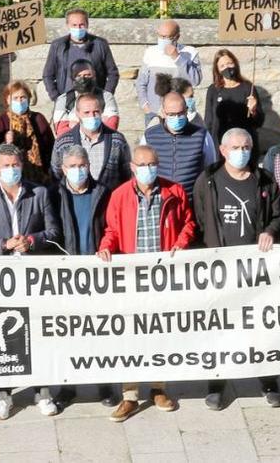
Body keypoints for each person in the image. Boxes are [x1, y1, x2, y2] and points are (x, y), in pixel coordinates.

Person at [0, 144, 62, 420]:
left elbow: (53, 231)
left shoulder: (39, 193)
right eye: (5, 166)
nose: (11, 170)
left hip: (33, 276)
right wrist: (3, 244)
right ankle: (4, 393)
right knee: (3, 338)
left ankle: (42, 391)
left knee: (37, 334)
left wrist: (31, 240)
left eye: (15, 165)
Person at [98, 145, 195, 422]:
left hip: (163, 278)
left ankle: (158, 388)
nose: (148, 169)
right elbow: (112, 230)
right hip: (133, 277)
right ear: (132, 167)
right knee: (131, 336)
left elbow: (188, 223)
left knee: (160, 332)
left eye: (153, 164)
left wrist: (181, 242)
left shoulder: (173, 192)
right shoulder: (119, 196)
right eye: (143, 164)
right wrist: (106, 247)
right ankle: (129, 395)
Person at [192, 128, 280, 410]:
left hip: (256, 270)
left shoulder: (264, 179)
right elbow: (199, 219)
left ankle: (268, 382)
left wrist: (269, 230)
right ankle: (216, 385)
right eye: (236, 147)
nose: (242, 151)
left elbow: (278, 215)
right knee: (220, 329)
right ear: (222, 150)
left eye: (246, 146)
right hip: (220, 269)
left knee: (261, 327)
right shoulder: (208, 180)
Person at [49, 145, 118, 409]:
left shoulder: (104, 192)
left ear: (89, 165)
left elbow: (112, 227)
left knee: (99, 332)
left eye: (82, 165)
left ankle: (104, 386)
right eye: (72, 167)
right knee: (68, 333)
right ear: (63, 169)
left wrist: (107, 245)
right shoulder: (54, 194)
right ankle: (68, 386)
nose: (78, 171)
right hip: (67, 275)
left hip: (98, 273)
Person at [141, 91, 217, 200]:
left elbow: (211, 169)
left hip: (190, 203)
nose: (176, 118)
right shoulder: (149, 136)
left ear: (186, 110)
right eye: (171, 114)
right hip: (159, 202)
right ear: (163, 112)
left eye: (180, 113)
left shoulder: (202, 136)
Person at [49, 92, 132, 190]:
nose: (92, 116)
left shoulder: (117, 140)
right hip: (75, 199)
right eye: (86, 112)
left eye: (96, 111)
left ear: (102, 112)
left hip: (109, 200)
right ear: (78, 113)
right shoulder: (63, 142)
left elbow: (126, 174)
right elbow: (56, 173)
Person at [42, 8, 119, 102]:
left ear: (87, 25)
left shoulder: (100, 44)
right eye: (74, 25)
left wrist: (106, 96)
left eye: (81, 25)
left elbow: (113, 73)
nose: (78, 28)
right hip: (66, 101)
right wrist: (56, 98)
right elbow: (48, 75)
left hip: (95, 101)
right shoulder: (58, 46)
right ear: (68, 25)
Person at [135, 18, 202, 124]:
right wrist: (146, 106)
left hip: (179, 115)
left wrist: (177, 58)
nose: (163, 39)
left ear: (177, 37)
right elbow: (141, 83)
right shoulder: (150, 52)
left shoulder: (190, 53)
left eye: (167, 37)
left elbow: (195, 80)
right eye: (161, 36)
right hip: (155, 114)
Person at [0, 81, 55, 183]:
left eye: (23, 97)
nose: (19, 101)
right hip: (12, 175)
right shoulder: (1, 122)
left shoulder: (38, 118)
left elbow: (50, 145)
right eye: (15, 98)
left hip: (40, 175)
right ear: (8, 100)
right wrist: (6, 143)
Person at [205, 49, 266, 151]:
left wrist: (254, 110)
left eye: (230, 63)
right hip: (220, 145)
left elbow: (259, 122)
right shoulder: (213, 90)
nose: (227, 68)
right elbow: (208, 120)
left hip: (244, 145)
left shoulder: (248, 88)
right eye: (222, 66)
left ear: (235, 64)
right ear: (217, 70)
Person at [51, 59, 119, 136]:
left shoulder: (106, 97)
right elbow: (61, 131)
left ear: (94, 76)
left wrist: (75, 125)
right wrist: (98, 124)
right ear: (72, 78)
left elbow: (111, 126)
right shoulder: (63, 100)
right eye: (78, 76)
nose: (83, 79)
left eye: (87, 75)